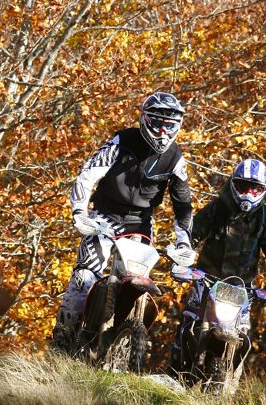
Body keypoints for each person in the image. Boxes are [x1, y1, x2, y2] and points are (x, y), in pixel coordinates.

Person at [51, 91, 192, 351]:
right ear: (145, 119)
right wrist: (79, 213)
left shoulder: (175, 157)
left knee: (138, 276)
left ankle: (121, 335)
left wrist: (184, 242)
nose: (163, 131)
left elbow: (182, 203)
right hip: (104, 216)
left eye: (169, 125)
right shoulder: (122, 141)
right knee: (85, 274)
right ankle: (63, 338)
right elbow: (87, 175)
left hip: (140, 225)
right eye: (157, 123)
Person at [169, 157, 266, 376]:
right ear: (233, 183)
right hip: (207, 278)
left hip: (242, 289)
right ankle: (175, 368)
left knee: (242, 335)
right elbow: (193, 233)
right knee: (189, 321)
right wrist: (181, 259)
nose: (248, 194)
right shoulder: (218, 207)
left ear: (263, 190)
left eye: (255, 189)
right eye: (243, 186)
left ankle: (230, 379)